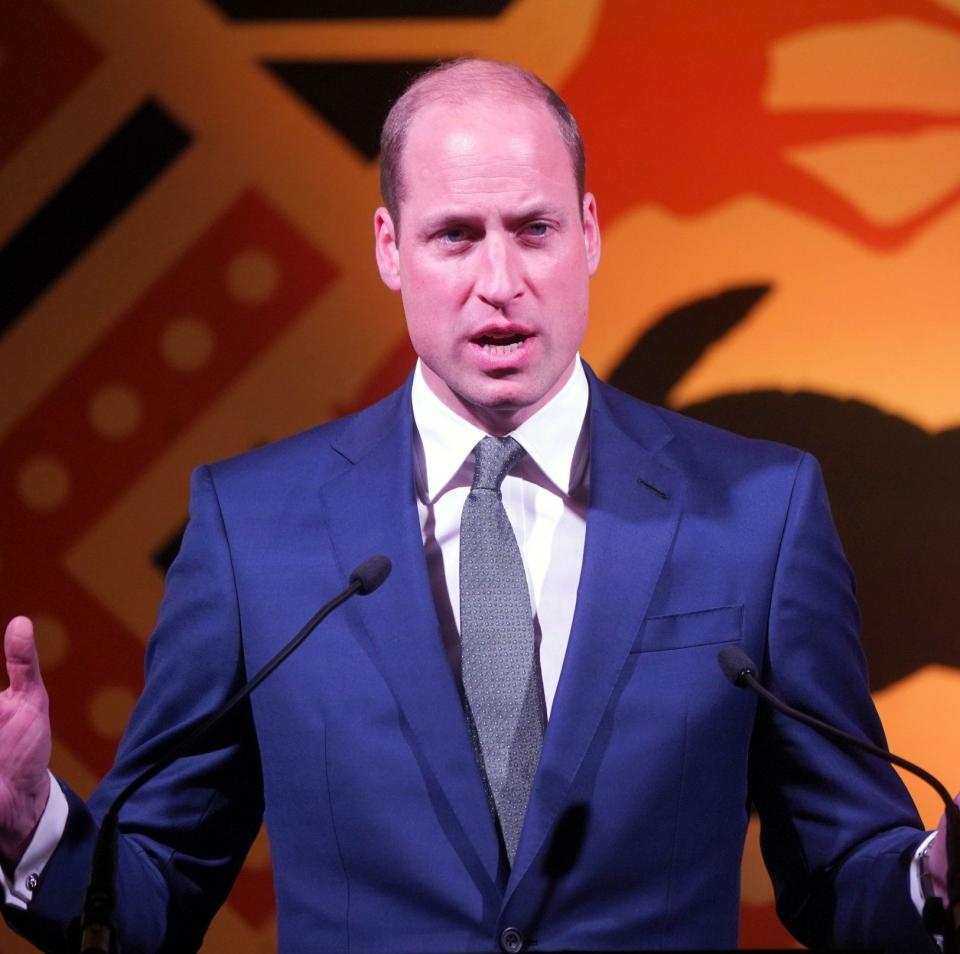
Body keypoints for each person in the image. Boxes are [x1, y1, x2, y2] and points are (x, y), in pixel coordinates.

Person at [0, 58, 955, 953]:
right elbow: (148, 893)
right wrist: (29, 825)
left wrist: (937, 880)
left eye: (533, 229)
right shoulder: (255, 530)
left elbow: (844, 870)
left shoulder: (759, 511)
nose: (500, 284)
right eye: (456, 235)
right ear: (390, 247)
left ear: (589, 231)